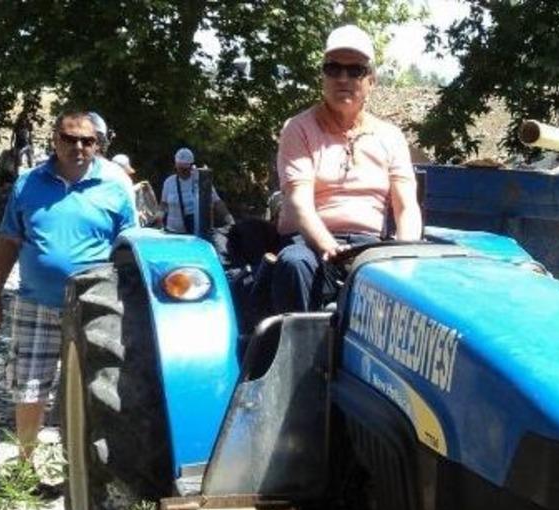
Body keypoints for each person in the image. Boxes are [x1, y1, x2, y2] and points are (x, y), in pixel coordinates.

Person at [0, 111, 138, 461]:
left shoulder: (115, 186)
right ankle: (25, 466)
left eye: (87, 141)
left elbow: (129, 247)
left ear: (97, 144)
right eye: (69, 139)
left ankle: (85, 468)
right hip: (36, 302)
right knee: (30, 386)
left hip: (96, 306)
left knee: (95, 389)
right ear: (55, 140)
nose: (78, 147)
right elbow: (9, 240)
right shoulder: (28, 183)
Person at [262, 23, 422, 313]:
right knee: (294, 264)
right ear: (323, 77)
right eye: (334, 69)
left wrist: (403, 254)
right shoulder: (299, 129)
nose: (343, 79)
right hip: (308, 242)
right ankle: (301, 356)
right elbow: (299, 204)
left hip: (368, 245)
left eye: (355, 70)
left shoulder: (391, 136)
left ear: (371, 80)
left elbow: (407, 207)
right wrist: (330, 250)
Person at [160, 148, 225, 235]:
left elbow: (217, 202)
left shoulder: (201, 182)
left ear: (191, 166)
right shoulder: (169, 182)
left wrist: (229, 219)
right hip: (172, 233)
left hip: (194, 234)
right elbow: (163, 204)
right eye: (180, 168)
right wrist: (159, 215)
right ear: (176, 166)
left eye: (185, 169)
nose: (182, 171)